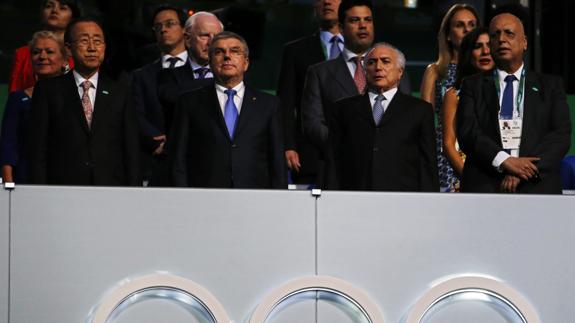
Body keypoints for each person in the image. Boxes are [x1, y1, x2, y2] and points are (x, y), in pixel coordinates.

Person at [456, 13, 571, 194]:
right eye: (495, 35)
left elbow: (560, 136)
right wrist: (505, 161)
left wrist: (522, 169)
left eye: (509, 33)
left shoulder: (550, 86)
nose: (501, 39)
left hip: (536, 185)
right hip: (486, 186)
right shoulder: (472, 85)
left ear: (524, 42)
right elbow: (468, 133)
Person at [28, 18, 140, 186]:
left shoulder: (121, 91)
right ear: (68, 49)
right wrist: (38, 191)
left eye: (97, 41)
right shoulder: (48, 90)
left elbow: (131, 149)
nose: (92, 48)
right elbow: (38, 149)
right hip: (62, 188)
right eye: (84, 41)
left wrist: (135, 192)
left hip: (111, 188)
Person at [170, 32, 286, 189]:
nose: (227, 56)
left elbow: (277, 159)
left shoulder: (268, 104)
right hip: (203, 194)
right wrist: (180, 196)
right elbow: (178, 158)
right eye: (219, 52)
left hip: (255, 195)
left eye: (235, 51)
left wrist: (279, 201)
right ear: (210, 63)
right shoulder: (189, 102)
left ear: (246, 63)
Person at [330, 43, 438, 191]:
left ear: (400, 71)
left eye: (385, 61)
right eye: (371, 62)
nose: (378, 67)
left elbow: (428, 163)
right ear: (364, 70)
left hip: (403, 198)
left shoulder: (420, 110)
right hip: (354, 196)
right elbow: (333, 160)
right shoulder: (343, 109)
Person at [277, 0, 343, 185]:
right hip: (308, 154)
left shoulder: (366, 53)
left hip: (353, 151)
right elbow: (286, 103)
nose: (327, 2)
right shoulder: (295, 51)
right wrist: (288, 145)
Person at [420, 4, 479, 192]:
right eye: (460, 25)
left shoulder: (486, 69)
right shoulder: (436, 71)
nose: (467, 30)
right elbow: (424, 119)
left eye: (472, 24)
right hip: (445, 149)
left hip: (479, 146)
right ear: (447, 34)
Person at [0, 31, 69, 183]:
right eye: (36, 52)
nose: (42, 56)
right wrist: (9, 184)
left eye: (49, 51)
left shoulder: (75, 98)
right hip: (25, 179)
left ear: (65, 60)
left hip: (66, 181)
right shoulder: (18, 99)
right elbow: (8, 145)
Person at [131, 5, 187, 186]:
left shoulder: (200, 71)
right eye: (158, 27)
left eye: (170, 24)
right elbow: (135, 112)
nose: (163, 29)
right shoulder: (141, 75)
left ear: (184, 29)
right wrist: (155, 141)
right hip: (154, 158)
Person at [440, 27, 494, 190]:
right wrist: (471, 180)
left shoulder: (510, 89)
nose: (485, 51)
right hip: (466, 180)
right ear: (468, 55)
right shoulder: (454, 94)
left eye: (489, 45)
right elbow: (449, 145)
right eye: (478, 46)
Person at [157, 11, 224, 126]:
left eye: (217, 37)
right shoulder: (168, 76)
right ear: (187, 39)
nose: (211, 43)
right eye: (205, 36)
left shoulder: (234, 77)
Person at [8, 0, 80, 93]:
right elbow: (14, 96)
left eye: (62, 8)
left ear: (72, 17)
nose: (54, 10)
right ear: (42, 13)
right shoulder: (22, 54)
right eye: (49, 6)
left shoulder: (80, 54)